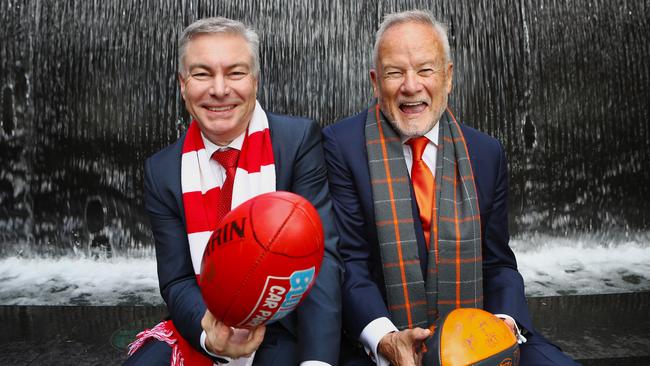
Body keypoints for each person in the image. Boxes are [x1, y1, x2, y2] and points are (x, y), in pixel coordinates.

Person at [322, 10, 578, 366]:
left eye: (426, 70)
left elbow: (498, 263)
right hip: (382, 342)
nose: (411, 86)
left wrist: (501, 325)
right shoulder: (341, 145)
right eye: (395, 72)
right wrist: (386, 339)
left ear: (449, 77)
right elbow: (349, 264)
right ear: (374, 81)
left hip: (478, 337)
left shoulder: (486, 153)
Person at [124, 17, 342, 366]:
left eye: (236, 73)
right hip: (205, 324)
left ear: (255, 80)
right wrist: (210, 333)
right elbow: (178, 279)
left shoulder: (297, 142)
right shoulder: (161, 170)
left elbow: (322, 259)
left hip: (282, 328)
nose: (220, 89)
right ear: (183, 84)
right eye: (202, 74)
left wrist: (317, 361)